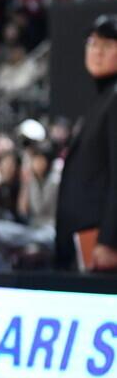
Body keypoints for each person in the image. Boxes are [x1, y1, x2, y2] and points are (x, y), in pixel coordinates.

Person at [55, 14, 117, 271]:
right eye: (92, 43)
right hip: (83, 237)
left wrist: (110, 240)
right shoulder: (102, 99)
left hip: (101, 241)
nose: (97, 52)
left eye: (107, 45)